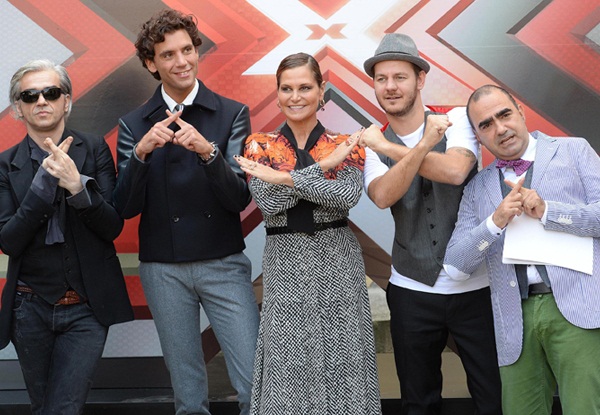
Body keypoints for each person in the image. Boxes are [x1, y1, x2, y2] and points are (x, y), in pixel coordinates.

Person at [113, 9, 260, 415]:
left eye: (187, 50)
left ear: (197, 51)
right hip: (163, 268)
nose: (181, 62)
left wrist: (208, 153)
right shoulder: (134, 124)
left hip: (223, 262)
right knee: (188, 394)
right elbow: (124, 207)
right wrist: (141, 153)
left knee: (255, 381)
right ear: (151, 63)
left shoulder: (231, 113)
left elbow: (239, 199)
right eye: (168, 54)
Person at [359, 33, 502, 414]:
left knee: (494, 397)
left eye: (400, 77)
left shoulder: (455, 119)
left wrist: (390, 149)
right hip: (412, 289)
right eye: (381, 78)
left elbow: (455, 171)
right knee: (418, 402)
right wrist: (420, 145)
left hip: (478, 288)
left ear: (420, 79)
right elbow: (383, 196)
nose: (390, 86)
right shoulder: (372, 144)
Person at [234, 52, 381, 415]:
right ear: (277, 93)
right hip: (284, 260)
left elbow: (345, 197)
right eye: (286, 89)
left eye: (304, 87)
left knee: (345, 355)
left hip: (338, 257)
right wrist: (323, 169)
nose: (295, 96)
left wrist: (284, 177)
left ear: (321, 90)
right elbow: (269, 203)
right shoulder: (259, 143)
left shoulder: (345, 142)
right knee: (287, 359)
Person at [444, 84, 600, 415]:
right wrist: (494, 222)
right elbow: (455, 266)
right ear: (478, 136)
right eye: (486, 124)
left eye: (504, 115)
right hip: (514, 320)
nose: (500, 128)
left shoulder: (574, 151)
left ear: (521, 112)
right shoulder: (477, 187)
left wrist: (549, 211)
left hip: (578, 308)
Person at [0, 59, 133, 414]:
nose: (41, 100)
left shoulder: (95, 149)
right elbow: (9, 241)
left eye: (51, 92)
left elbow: (112, 227)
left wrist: (77, 188)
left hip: (86, 307)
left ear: (67, 101)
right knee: (43, 406)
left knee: (65, 407)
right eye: (30, 96)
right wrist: (41, 188)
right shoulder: (5, 165)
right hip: (28, 308)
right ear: (18, 108)